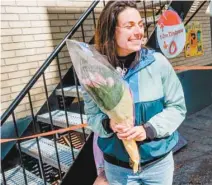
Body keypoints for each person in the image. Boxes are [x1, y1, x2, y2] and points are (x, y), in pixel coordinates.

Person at [83, 1, 186, 185]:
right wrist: (109, 124)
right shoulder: (96, 73)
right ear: (110, 30)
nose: (139, 31)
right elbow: (92, 117)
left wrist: (148, 130)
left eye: (140, 24)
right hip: (118, 170)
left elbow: (177, 107)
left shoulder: (158, 63)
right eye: (129, 26)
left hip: (158, 165)